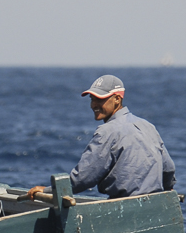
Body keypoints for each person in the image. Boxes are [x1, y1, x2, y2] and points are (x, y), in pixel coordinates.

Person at [26, 74, 176, 201]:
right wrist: (167, 188)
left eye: (100, 99)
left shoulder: (107, 131)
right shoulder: (148, 126)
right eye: (92, 99)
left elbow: (82, 179)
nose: (93, 105)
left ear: (117, 99)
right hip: (154, 206)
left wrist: (47, 191)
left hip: (123, 208)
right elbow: (168, 169)